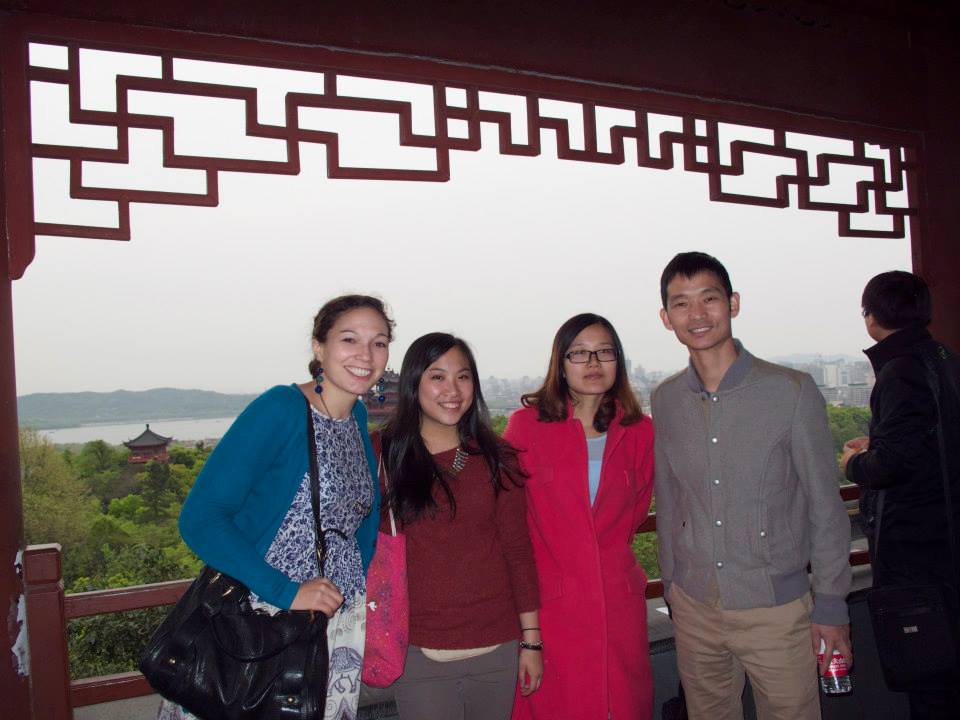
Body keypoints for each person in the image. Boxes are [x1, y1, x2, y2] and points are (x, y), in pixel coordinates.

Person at [160, 294, 393, 720]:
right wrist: (288, 591)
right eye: (349, 339)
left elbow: (360, 516)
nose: (366, 354)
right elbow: (201, 518)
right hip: (260, 622)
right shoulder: (282, 408)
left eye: (379, 343)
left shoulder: (356, 416)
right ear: (319, 347)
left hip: (333, 623)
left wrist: (352, 580)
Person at [653, 251, 852, 720]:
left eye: (709, 298)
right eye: (681, 304)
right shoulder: (665, 399)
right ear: (666, 318)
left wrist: (831, 605)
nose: (697, 314)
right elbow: (671, 500)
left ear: (733, 303)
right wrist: (672, 585)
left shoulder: (791, 391)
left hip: (776, 609)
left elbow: (825, 506)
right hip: (695, 607)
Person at [374, 332, 541, 720]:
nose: (452, 390)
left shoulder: (497, 457)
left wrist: (532, 642)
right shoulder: (382, 454)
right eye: (438, 376)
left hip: (498, 646)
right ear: (413, 383)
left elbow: (517, 550)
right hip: (417, 650)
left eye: (463, 377)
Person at [506, 313, 655, 720]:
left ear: (619, 361)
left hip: (617, 602)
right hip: (551, 608)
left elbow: (636, 510)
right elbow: (511, 521)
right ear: (561, 362)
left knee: (621, 705)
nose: (593, 363)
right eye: (579, 353)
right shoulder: (526, 427)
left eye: (604, 352)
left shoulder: (639, 430)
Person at [841, 270, 960, 718]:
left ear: (871, 316)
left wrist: (853, 463)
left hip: (919, 554)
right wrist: (881, 442)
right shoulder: (945, 358)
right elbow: (933, 442)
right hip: (947, 542)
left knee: (931, 681)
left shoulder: (899, 371)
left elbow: (891, 466)